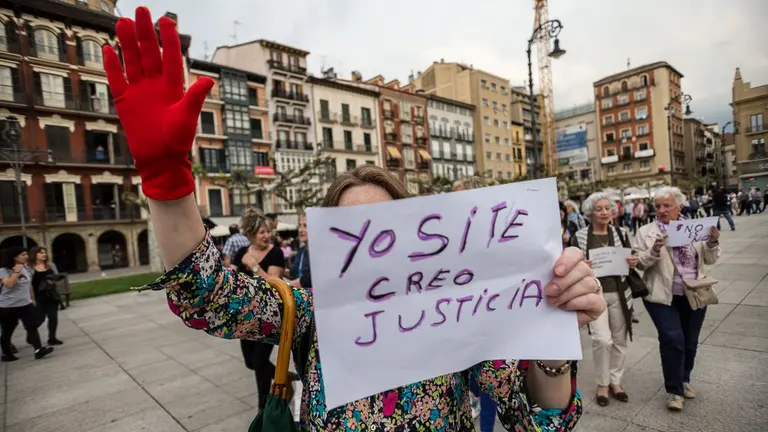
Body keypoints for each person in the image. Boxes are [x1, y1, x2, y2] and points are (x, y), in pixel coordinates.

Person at [103, 8, 605, 429]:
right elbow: (204, 295)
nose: (372, 249)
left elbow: (539, 416)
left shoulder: (456, 317)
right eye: (352, 235)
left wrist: (552, 343)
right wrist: (168, 184)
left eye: (386, 231)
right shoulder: (305, 313)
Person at [634, 187, 720, 411]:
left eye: (666, 206)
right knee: (672, 339)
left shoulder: (695, 228)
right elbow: (640, 263)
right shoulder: (646, 231)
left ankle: (684, 379)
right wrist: (654, 250)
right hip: (661, 296)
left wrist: (711, 242)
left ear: (679, 206)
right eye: (658, 206)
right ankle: (674, 391)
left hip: (694, 292)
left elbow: (709, 260)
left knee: (690, 342)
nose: (661, 210)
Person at [570, 193, 638, 407]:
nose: (604, 212)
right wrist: (582, 266)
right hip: (594, 295)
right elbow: (573, 266)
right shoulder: (580, 236)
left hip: (620, 292)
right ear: (590, 213)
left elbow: (632, 257)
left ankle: (615, 382)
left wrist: (633, 260)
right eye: (599, 209)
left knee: (619, 340)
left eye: (608, 208)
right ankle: (602, 383)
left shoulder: (621, 232)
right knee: (602, 340)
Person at [230, 208, 289, 411]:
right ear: (249, 234)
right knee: (251, 363)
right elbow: (234, 282)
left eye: (267, 231)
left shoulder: (276, 253)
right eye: (261, 232)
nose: (266, 236)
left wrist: (254, 266)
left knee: (259, 360)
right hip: (245, 316)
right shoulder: (241, 253)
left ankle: (263, 407)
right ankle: (287, 380)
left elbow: (275, 285)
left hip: (269, 316)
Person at [453, 176, 499, 432]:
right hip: (460, 321)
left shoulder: (494, 236)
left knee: (487, 379)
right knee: (472, 378)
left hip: (488, 321)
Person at [0, 247, 54, 362]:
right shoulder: (3, 270)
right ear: (15, 257)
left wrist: (32, 299)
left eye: (26, 254)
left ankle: (38, 350)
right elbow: (9, 284)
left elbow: (28, 285)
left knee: (32, 326)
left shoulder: (26, 268)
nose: (26, 256)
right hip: (8, 306)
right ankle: (6, 353)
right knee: (8, 330)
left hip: (25, 304)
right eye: (23, 255)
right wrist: (16, 271)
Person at [29, 247, 64, 346]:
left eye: (44, 252)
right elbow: (29, 284)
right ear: (34, 254)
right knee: (39, 319)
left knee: (53, 317)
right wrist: (32, 298)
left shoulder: (50, 265)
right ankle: (30, 334)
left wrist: (53, 280)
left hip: (50, 295)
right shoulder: (30, 268)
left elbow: (56, 277)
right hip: (38, 297)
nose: (44, 254)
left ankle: (52, 338)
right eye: (41, 253)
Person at [289, 215, 311, 290]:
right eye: (300, 225)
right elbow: (296, 272)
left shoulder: (319, 253)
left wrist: (286, 285)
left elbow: (308, 279)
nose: (300, 230)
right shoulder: (302, 250)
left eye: (305, 226)